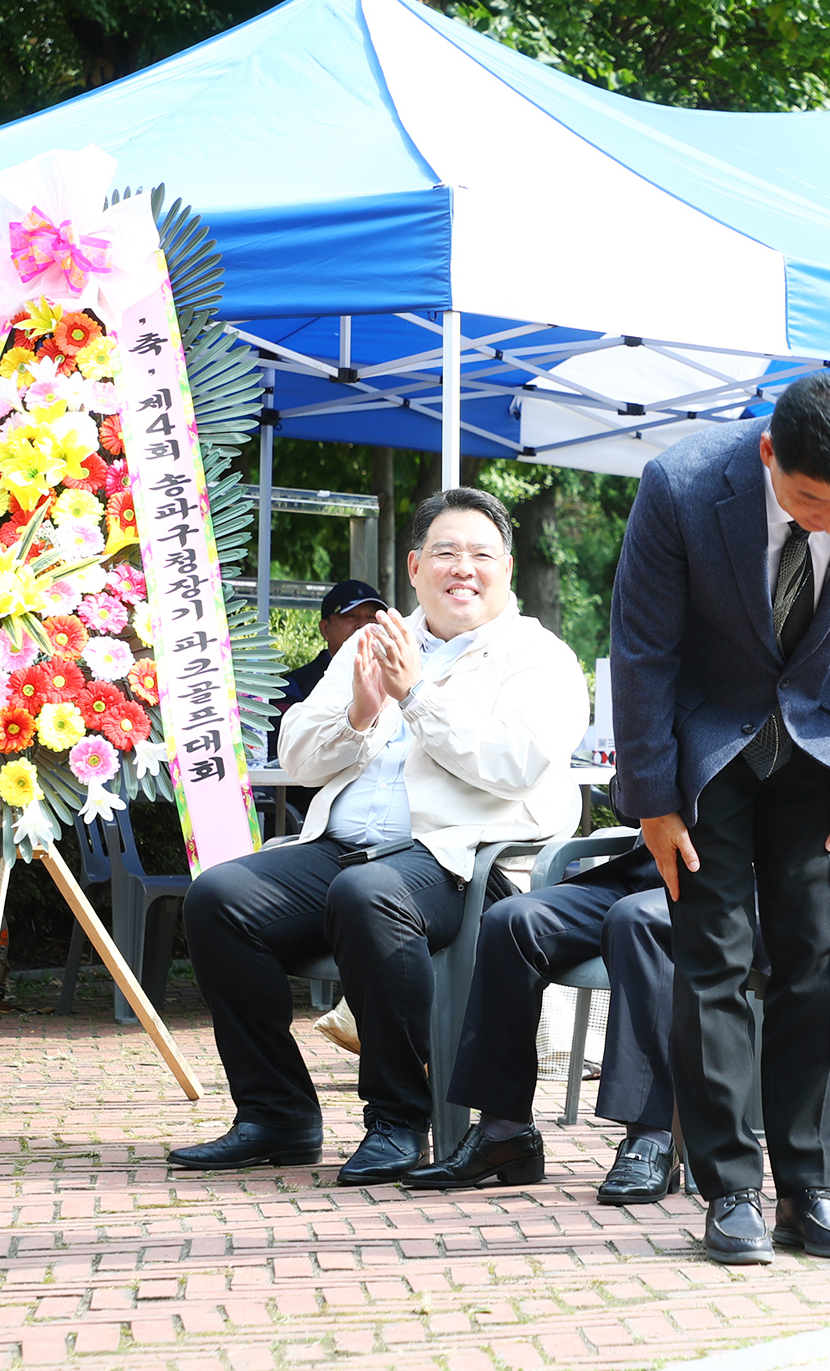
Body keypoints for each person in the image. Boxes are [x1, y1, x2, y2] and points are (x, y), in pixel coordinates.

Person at [172, 488, 588, 1185]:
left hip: (458, 862)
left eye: (481, 554)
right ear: (416, 565)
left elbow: (514, 765)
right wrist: (361, 714)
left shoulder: (537, 657)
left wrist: (418, 696)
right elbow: (299, 757)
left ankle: (397, 1120)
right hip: (341, 850)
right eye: (447, 553)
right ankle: (277, 1114)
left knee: (369, 893)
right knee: (219, 897)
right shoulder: (372, 640)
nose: (464, 568)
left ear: (506, 570)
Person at [611, 371, 830, 1265]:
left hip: (821, 746)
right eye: (808, 501)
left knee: (811, 952)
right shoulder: (679, 485)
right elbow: (641, 649)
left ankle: (810, 1190)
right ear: (766, 455)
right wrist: (654, 802)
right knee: (712, 955)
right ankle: (731, 1194)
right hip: (706, 749)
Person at [405, 842, 684, 1202]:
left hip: (730, 880)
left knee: (635, 920)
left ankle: (651, 1137)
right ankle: (504, 1131)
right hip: (646, 874)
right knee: (510, 920)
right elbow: (627, 805)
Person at [266, 579, 385, 763]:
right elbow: (282, 752)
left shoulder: (396, 677)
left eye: (372, 618)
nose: (363, 626)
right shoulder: (294, 686)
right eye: (350, 616)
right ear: (325, 629)